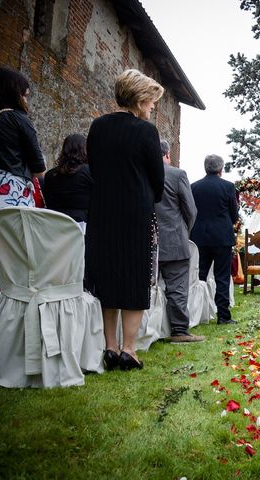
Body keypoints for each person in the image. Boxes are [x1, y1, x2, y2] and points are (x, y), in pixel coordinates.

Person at [85, 69, 165, 371]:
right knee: (134, 276)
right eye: (152, 100)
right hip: (135, 212)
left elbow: (94, 168)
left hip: (103, 210)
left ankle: (110, 346)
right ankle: (129, 349)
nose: (153, 106)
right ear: (141, 98)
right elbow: (157, 180)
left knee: (108, 275)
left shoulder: (98, 126)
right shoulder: (146, 132)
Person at [0, 67, 46, 290]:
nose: (26, 99)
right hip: (12, 191)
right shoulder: (18, 119)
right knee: (13, 252)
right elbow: (39, 169)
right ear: (15, 93)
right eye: (25, 94)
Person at [155, 140, 203, 343]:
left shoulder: (138, 174)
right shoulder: (177, 174)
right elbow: (191, 210)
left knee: (145, 288)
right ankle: (179, 330)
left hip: (146, 241)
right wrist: (184, 231)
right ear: (166, 155)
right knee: (177, 288)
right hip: (174, 238)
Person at [190, 154, 239, 325]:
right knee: (222, 277)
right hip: (221, 237)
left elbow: (191, 212)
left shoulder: (194, 187)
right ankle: (223, 316)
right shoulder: (228, 187)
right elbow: (234, 214)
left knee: (199, 276)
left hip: (199, 237)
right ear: (221, 169)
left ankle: (196, 314)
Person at [43, 133, 93, 231]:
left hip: (54, 227)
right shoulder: (90, 172)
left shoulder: (50, 175)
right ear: (84, 149)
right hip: (82, 228)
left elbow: (48, 201)